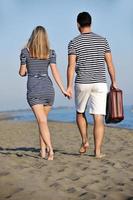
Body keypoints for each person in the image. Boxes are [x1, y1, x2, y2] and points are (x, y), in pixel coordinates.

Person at [67, 12, 117, 158]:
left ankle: (85, 141)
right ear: (91, 23)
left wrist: (69, 86)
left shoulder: (74, 42)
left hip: (82, 82)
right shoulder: (103, 40)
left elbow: (71, 66)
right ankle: (98, 152)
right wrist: (114, 81)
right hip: (100, 82)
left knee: (80, 112)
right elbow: (110, 64)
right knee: (98, 117)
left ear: (78, 25)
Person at [19, 26, 69, 160]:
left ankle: (50, 150)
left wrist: (25, 65)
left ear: (33, 37)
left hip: (34, 89)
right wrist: (63, 89)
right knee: (43, 122)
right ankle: (42, 151)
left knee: (42, 122)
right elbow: (55, 72)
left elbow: (22, 73)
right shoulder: (51, 53)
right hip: (48, 90)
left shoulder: (25, 52)